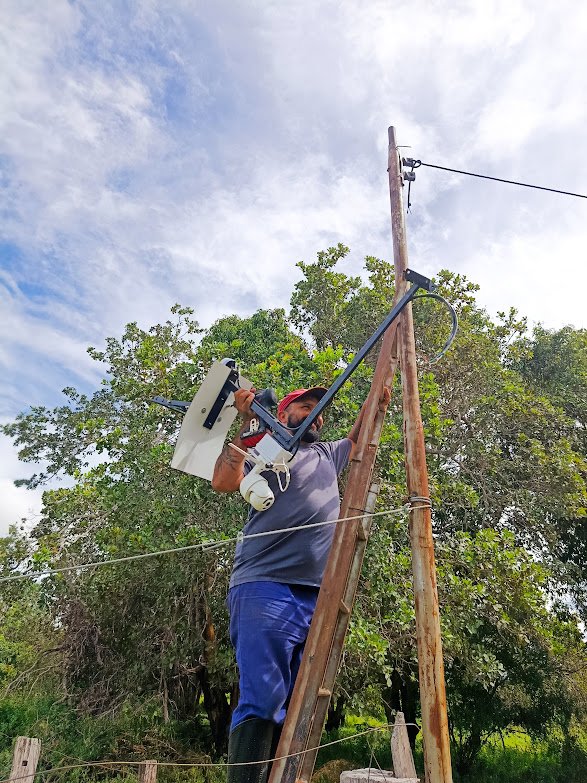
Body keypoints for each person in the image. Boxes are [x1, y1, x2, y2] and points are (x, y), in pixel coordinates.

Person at [212, 384, 375, 783]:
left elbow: (362, 432)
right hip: (264, 586)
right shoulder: (263, 450)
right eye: (306, 407)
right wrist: (243, 421)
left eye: (321, 411)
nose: (316, 416)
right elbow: (223, 480)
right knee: (265, 699)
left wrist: (382, 376)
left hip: (316, 593)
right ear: (282, 412)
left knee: (300, 701)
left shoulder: (325, 453)